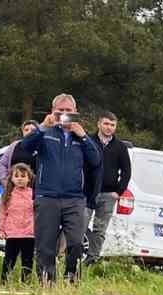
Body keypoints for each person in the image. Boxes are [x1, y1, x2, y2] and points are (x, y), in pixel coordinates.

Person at [13, 93, 101, 284]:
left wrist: (84, 136)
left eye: (68, 111)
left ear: (75, 113)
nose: (64, 114)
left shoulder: (81, 137)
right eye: (59, 111)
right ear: (52, 112)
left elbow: (96, 161)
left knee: (77, 242)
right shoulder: (45, 133)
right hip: (47, 197)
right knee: (45, 245)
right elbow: (25, 147)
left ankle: (71, 279)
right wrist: (43, 127)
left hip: (75, 198)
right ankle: (47, 283)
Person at [85, 112, 132, 266]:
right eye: (106, 124)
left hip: (107, 194)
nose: (109, 127)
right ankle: (74, 257)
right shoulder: (88, 141)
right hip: (87, 192)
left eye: (112, 125)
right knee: (79, 225)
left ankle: (92, 260)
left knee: (100, 229)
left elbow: (126, 171)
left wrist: (118, 192)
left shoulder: (120, 147)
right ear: (99, 124)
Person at [0, 163, 36, 282]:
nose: (20, 179)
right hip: (12, 233)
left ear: (29, 178)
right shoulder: (7, 195)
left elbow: (38, 212)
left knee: (27, 260)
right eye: (17, 176)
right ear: (12, 178)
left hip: (29, 233)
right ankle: (4, 281)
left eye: (23, 176)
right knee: (9, 259)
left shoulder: (33, 194)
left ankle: (26, 282)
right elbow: (2, 213)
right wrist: (0, 229)